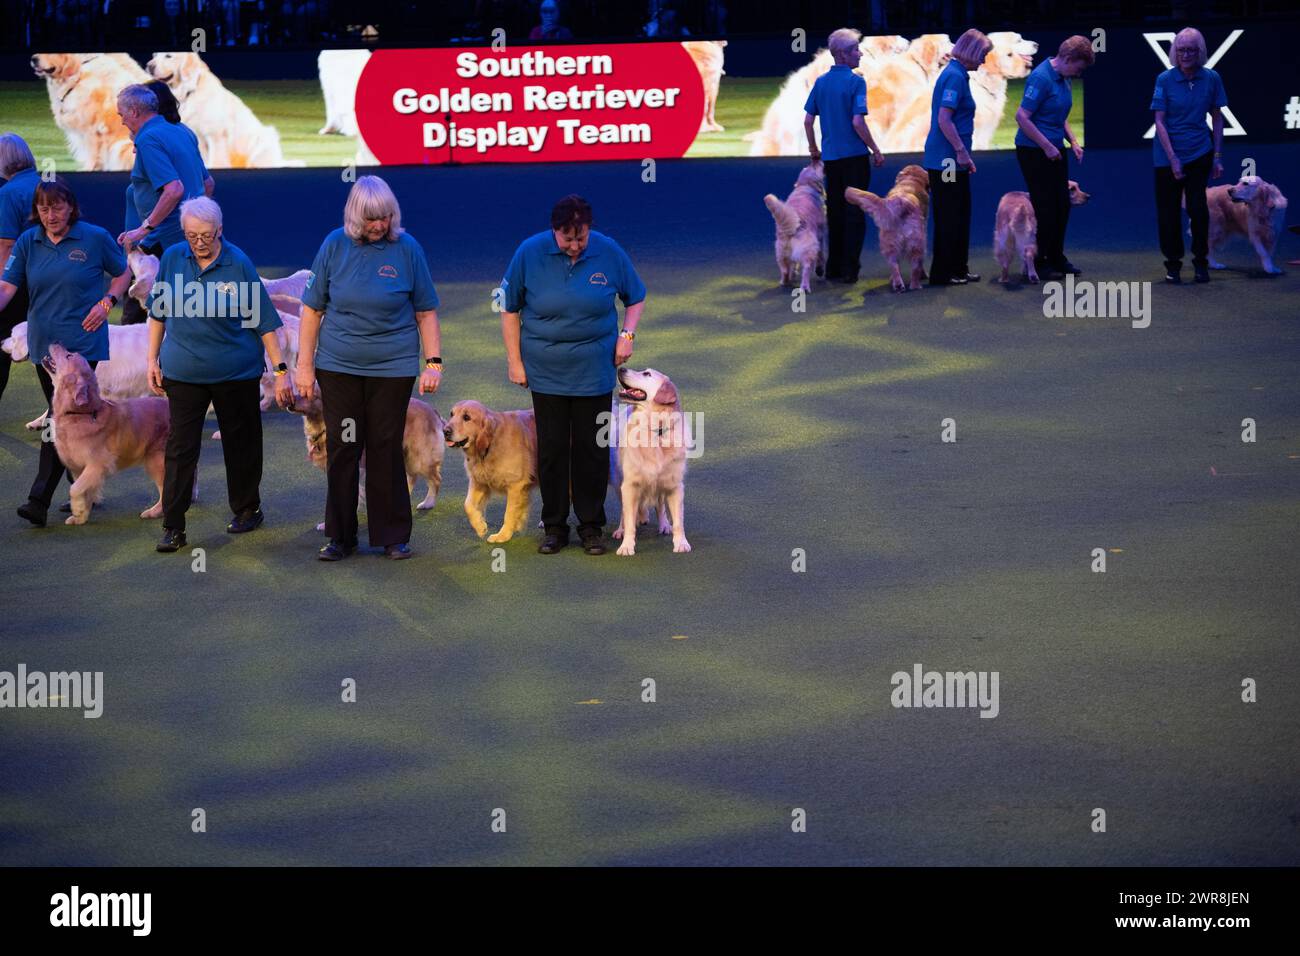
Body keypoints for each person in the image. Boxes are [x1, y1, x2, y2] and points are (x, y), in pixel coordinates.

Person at [295, 176, 443, 561]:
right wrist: (303, 367)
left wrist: (433, 362)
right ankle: (341, 537)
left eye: (385, 217)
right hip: (340, 368)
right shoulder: (333, 245)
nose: (379, 225)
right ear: (355, 216)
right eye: (372, 219)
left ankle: (392, 535)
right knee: (344, 446)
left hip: (392, 370)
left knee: (383, 446)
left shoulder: (407, 249)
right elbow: (312, 309)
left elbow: (425, 311)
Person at [499, 194, 646, 555]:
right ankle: (554, 526)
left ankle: (591, 525)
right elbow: (509, 308)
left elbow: (636, 297)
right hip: (546, 372)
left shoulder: (608, 252)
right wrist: (514, 361)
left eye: (581, 238)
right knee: (550, 449)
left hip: (594, 371)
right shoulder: (529, 253)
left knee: (592, 449)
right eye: (568, 239)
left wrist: (626, 335)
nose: (576, 246)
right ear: (555, 231)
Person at [146, 197, 292, 553]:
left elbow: (265, 322)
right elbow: (158, 313)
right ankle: (174, 525)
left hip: (235, 372)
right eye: (192, 235)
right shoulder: (171, 260)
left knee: (241, 442)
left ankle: (246, 508)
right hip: (183, 371)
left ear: (220, 231)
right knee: (181, 447)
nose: (199, 242)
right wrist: (151, 359)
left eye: (206, 235)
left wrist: (281, 370)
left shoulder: (237, 263)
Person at [0, 177, 129, 527]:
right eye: (43, 209)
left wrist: (107, 302)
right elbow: (8, 285)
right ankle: (84, 485)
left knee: (59, 417)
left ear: (70, 206)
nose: (51, 215)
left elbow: (122, 273)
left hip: (83, 343)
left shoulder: (94, 237)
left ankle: (38, 499)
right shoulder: (29, 241)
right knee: (65, 420)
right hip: (45, 347)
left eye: (57, 207)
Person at [120, 80, 215, 326]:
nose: (121, 121)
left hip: (163, 244)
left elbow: (173, 190)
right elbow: (208, 184)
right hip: (189, 241)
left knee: (143, 318)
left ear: (135, 111)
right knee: (188, 316)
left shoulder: (150, 139)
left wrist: (145, 229)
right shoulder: (183, 132)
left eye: (122, 115)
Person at [804, 27, 885, 284]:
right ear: (842, 54)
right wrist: (875, 149)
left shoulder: (821, 82)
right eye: (855, 50)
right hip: (854, 158)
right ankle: (851, 269)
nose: (860, 54)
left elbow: (808, 120)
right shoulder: (856, 82)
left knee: (835, 211)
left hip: (832, 159)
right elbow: (858, 122)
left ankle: (834, 268)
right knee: (855, 213)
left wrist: (814, 150)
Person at [1151, 27, 1228, 284]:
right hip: (1166, 156)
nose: (1185, 55)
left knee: (1198, 209)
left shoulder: (1212, 78)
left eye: (1191, 50)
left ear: (1200, 52)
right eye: (1181, 50)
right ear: (1175, 52)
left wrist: (1217, 155)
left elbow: (1217, 118)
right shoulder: (1164, 79)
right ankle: (1173, 264)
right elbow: (1159, 121)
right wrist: (1172, 158)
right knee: (1168, 213)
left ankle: (1201, 263)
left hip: (1199, 152)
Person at [1014, 35, 1093, 280]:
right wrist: (1047, 146)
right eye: (1079, 68)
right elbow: (1022, 117)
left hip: (1054, 149)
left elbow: (1059, 115)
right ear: (1068, 59)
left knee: (1062, 206)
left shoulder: (1064, 77)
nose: (1079, 73)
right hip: (1034, 150)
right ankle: (1039, 261)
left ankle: (1057, 256)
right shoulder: (1041, 77)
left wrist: (1073, 141)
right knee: (1045, 208)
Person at [923, 28, 991, 286]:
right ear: (972, 52)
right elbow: (944, 119)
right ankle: (943, 273)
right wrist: (962, 152)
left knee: (959, 213)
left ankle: (958, 268)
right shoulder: (954, 77)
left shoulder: (958, 75)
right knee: (950, 215)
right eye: (982, 55)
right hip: (947, 160)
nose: (983, 61)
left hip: (951, 158)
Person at [0, 132, 39, 406]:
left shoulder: (9, 192)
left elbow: (5, 245)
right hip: (50, 279)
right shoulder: (50, 184)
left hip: (17, 282)